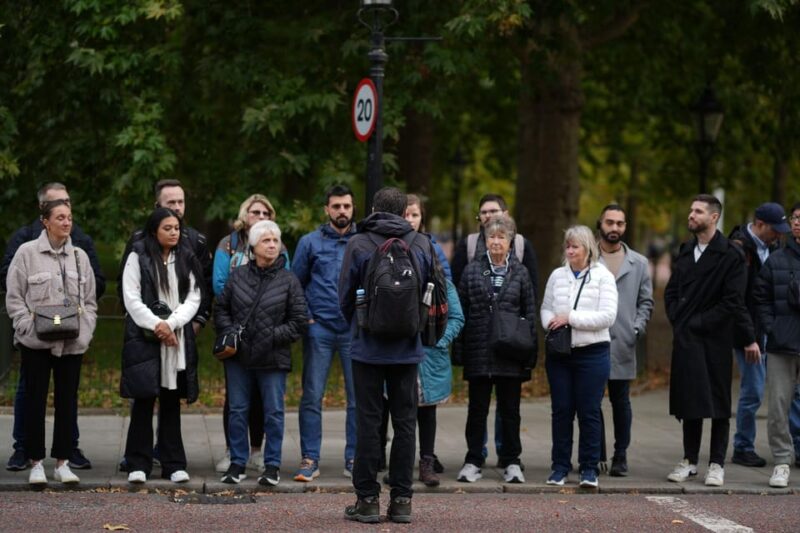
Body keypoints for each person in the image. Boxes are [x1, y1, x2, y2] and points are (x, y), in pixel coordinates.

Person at [338, 186, 435, 524]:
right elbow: (432, 292)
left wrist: (360, 321)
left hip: (367, 346)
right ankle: (402, 500)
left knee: (369, 422)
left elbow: (344, 297)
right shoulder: (420, 243)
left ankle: (367, 500)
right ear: (404, 210)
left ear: (375, 208)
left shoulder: (359, 242)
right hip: (408, 348)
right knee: (406, 424)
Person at [3, 183, 104, 472]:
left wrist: (85, 332)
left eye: (69, 217)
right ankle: (35, 462)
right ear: (45, 222)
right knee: (34, 403)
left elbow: (90, 300)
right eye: (60, 218)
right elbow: (14, 297)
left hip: (72, 343)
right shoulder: (26, 253)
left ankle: (63, 462)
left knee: (67, 403)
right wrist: (25, 328)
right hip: (36, 343)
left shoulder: (79, 256)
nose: (67, 222)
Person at [117, 179, 212, 473]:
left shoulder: (187, 254)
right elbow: (130, 297)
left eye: (176, 228)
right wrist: (158, 325)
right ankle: (138, 463)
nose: (174, 232)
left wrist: (171, 324)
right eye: (168, 228)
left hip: (176, 338)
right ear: (154, 229)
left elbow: (195, 295)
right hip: (145, 338)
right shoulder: (138, 254)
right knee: (144, 400)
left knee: (171, 401)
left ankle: (173, 463)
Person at [664, 194, 755, 487]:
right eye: (691, 209)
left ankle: (716, 463)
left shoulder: (730, 255)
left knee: (717, 402)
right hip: (686, 338)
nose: (691, 215)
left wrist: (698, 322)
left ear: (714, 217)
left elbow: (732, 301)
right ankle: (689, 460)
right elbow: (672, 290)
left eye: (698, 211)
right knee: (689, 400)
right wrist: (678, 318)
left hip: (715, 339)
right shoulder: (686, 249)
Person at [214, 220, 307, 486]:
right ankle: (237, 463)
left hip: (273, 357)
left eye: (275, 240)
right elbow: (221, 309)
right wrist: (231, 332)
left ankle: (272, 465)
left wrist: (271, 336)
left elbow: (299, 320)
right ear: (253, 246)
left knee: (274, 412)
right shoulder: (238, 276)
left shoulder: (289, 280)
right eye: (266, 240)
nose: (272, 245)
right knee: (238, 409)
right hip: (239, 356)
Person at [451, 193, 538, 466]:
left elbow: (530, 310)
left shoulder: (521, 269)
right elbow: (460, 307)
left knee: (509, 409)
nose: (496, 240)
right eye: (491, 236)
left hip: (511, 350)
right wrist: (460, 350)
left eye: (502, 236)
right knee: (477, 409)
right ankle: (474, 458)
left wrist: (530, 353)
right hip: (479, 350)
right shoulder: (471, 268)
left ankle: (510, 459)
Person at [212, 193, 288, 474]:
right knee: (236, 400)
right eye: (256, 212)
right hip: (238, 333)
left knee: (264, 401)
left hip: (268, 339)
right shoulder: (228, 245)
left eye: (266, 213)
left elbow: (287, 293)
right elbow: (220, 286)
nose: (261, 218)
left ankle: (259, 452)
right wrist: (239, 318)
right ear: (245, 215)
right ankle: (235, 453)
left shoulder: (280, 248)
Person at [540, 225, 618, 488]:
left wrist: (570, 318)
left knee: (589, 412)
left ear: (588, 249)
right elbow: (546, 307)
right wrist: (550, 322)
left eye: (575, 246)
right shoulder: (557, 276)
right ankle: (560, 467)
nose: (570, 251)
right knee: (561, 411)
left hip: (593, 354)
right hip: (560, 354)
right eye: (568, 246)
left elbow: (608, 316)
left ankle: (588, 468)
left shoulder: (602, 277)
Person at [292, 185, 358, 482]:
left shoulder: (363, 241)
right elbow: (295, 283)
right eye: (336, 206)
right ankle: (310, 459)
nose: (342, 211)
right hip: (319, 328)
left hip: (354, 330)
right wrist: (306, 317)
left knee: (358, 398)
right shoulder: (309, 242)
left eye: (346, 206)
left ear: (353, 208)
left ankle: (355, 457)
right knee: (312, 396)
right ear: (326, 210)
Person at [728, 202, 795, 468]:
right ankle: (743, 446)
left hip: (770, 331)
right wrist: (748, 338)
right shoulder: (739, 249)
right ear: (759, 224)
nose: (779, 235)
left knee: (781, 392)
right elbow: (737, 299)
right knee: (753, 390)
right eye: (775, 229)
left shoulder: (773, 248)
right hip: (748, 332)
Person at [404, 194, 464, 486]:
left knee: (426, 413)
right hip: (403, 353)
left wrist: (440, 341)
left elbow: (456, 317)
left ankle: (426, 463)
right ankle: (399, 464)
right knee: (401, 413)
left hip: (430, 355)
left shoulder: (442, 283)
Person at [596, 205, 654, 476]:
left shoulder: (639, 263)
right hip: (591, 340)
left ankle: (621, 455)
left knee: (621, 402)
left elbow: (646, 302)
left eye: (620, 223)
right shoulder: (586, 256)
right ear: (600, 223)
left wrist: (636, 328)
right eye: (610, 222)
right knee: (590, 402)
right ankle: (595, 454)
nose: (615, 228)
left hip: (623, 342)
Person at [753, 202, 800, 488]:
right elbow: (761, 297)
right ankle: (782, 460)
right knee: (779, 405)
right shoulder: (777, 259)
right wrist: (772, 327)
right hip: (782, 345)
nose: (797, 223)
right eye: (795, 218)